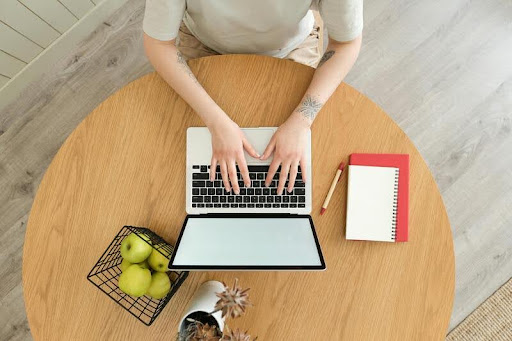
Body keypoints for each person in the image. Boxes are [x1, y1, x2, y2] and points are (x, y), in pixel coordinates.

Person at [143, 0, 362, 195]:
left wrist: (301, 122)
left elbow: (345, 44)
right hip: (205, 44)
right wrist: (216, 122)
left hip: (290, 47)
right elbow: (159, 44)